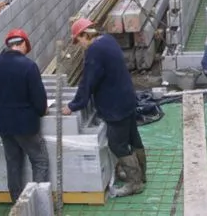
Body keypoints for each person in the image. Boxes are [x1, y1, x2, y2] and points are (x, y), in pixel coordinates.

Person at [62, 18, 146, 198]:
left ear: (86, 34)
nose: (80, 45)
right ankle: (141, 174)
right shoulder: (108, 40)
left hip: (115, 105)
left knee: (117, 144)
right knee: (133, 137)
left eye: (79, 40)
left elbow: (88, 82)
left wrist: (73, 105)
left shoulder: (94, 51)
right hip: (127, 98)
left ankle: (135, 183)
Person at [0, 29, 50, 203]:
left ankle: (18, 203)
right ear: (23, 44)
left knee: (13, 163)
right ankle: (38, 203)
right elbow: (39, 99)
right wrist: (41, 110)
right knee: (39, 160)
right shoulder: (28, 66)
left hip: (3, 123)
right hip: (25, 124)